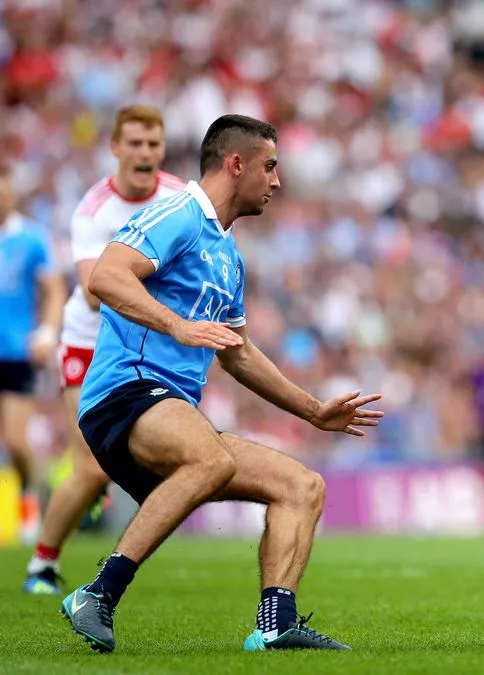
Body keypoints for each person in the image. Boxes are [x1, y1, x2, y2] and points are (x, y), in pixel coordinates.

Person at [59, 114, 384, 654]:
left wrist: (312, 410)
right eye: (270, 166)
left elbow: (238, 354)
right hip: (124, 392)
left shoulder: (228, 256)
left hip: (169, 407)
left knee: (303, 487)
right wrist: (176, 324)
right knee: (211, 460)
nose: (277, 181)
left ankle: (275, 624)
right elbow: (106, 275)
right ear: (237, 164)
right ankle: (99, 593)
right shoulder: (179, 213)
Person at [25, 104, 187, 595]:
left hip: (143, 346)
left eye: (153, 144)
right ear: (116, 148)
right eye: (134, 143)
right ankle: (43, 565)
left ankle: (105, 486)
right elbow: (97, 292)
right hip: (88, 344)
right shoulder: (94, 210)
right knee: (92, 470)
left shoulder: (180, 199)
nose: (144, 153)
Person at [0, 162, 66, 545]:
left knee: (15, 441)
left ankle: (28, 501)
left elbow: (53, 289)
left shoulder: (32, 238)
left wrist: (46, 331)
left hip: (14, 350)